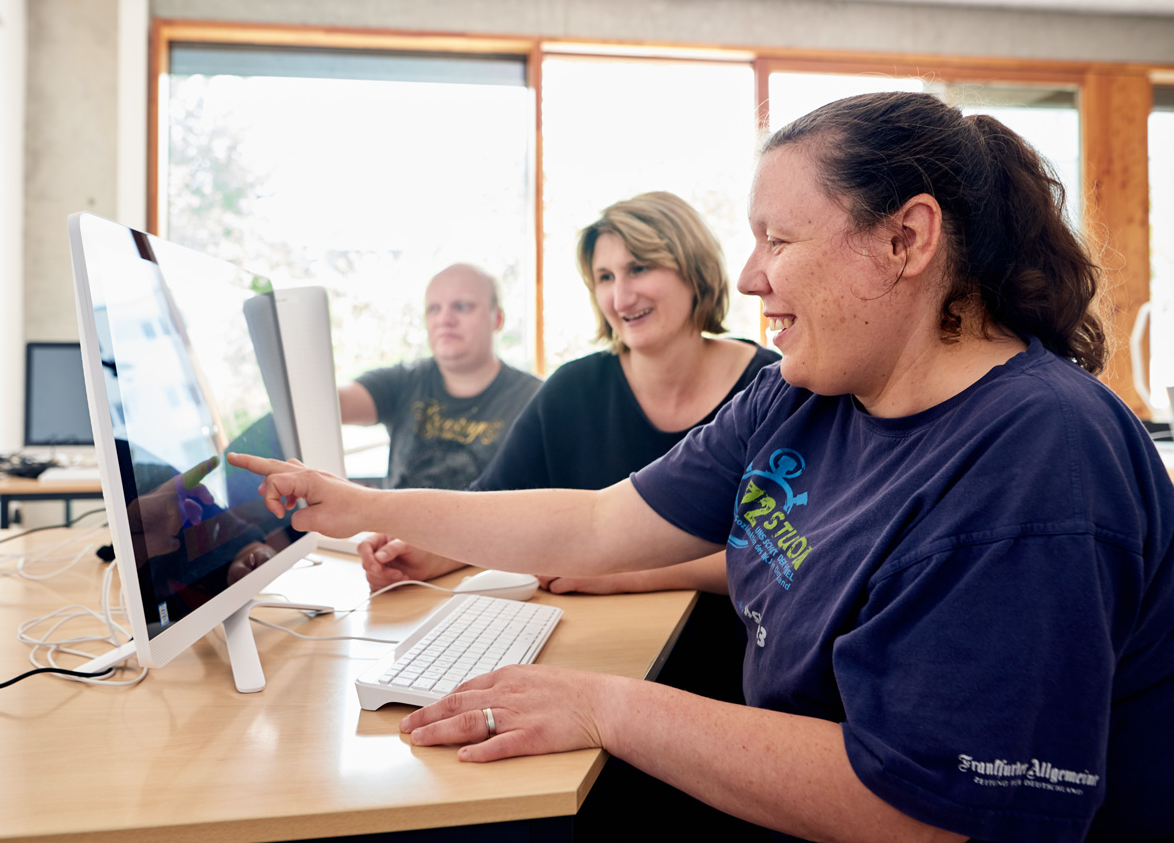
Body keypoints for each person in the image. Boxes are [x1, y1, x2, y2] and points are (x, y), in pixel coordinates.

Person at [233, 92, 1174, 843]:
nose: (752, 276)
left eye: (780, 240)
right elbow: (600, 524)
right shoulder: (806, 394)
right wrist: (358, 505)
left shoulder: (1038, 454)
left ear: (906, 240)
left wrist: (607, 708)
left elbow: (923, 811)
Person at [359, 192, 778, 607]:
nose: (621, 298)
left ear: (695, 270)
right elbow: (492, 504)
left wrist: (627, 572)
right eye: (605, 277)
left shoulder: (770, 389)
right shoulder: (573, 388)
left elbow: (779, 552)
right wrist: (428, 554)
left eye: (639, 268)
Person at [338, 263, 541, 491]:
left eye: (462, 307)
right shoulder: (403, 382)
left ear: (498, 319)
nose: (444, 319)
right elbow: (330, 403)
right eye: (434, 309)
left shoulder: (535, 400)